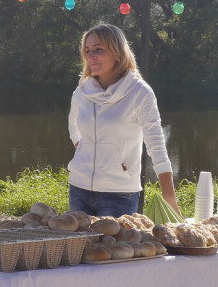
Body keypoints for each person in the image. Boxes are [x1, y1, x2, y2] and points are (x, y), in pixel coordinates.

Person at [66, 23, 181, 219]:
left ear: (117, 52)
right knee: (80, 250)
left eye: (99, 50)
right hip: (79, 190)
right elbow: (73, 127)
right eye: (88, 50)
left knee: (115, 250)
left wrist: (169, 196)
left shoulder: (140, 92)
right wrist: (86, 153)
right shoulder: (82, 91)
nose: (91, 56)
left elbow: (156, 145)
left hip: (118, 194)